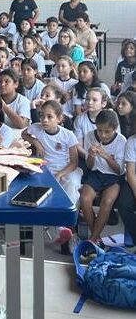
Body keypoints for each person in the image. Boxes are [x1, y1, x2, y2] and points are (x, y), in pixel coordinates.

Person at [22, 100, 82, 244]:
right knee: (35, 188)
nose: (44, 120)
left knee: (71, 186)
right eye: (42, 116)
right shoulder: (36, 128)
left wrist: (60, 174)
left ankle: (68, 222)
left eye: (50, 117)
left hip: (66, 168)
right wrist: (35, 142)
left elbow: (74, 162)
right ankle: (59, 227)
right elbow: (24, 134)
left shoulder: (68, 135)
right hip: (46, 167)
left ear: (60, 119)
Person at [80, 110, 126, 245]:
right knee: (84, 199)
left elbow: (119, 170)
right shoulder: (90, 136)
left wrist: (105, 156)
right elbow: (89, 166)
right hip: (96, 174)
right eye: (100, 130)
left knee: (107, 202)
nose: (103, 135)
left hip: (113, 177)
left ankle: (93, 239)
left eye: (107, 131)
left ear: (115, 129)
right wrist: (92, 156)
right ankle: (96, 237)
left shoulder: (121, 140)